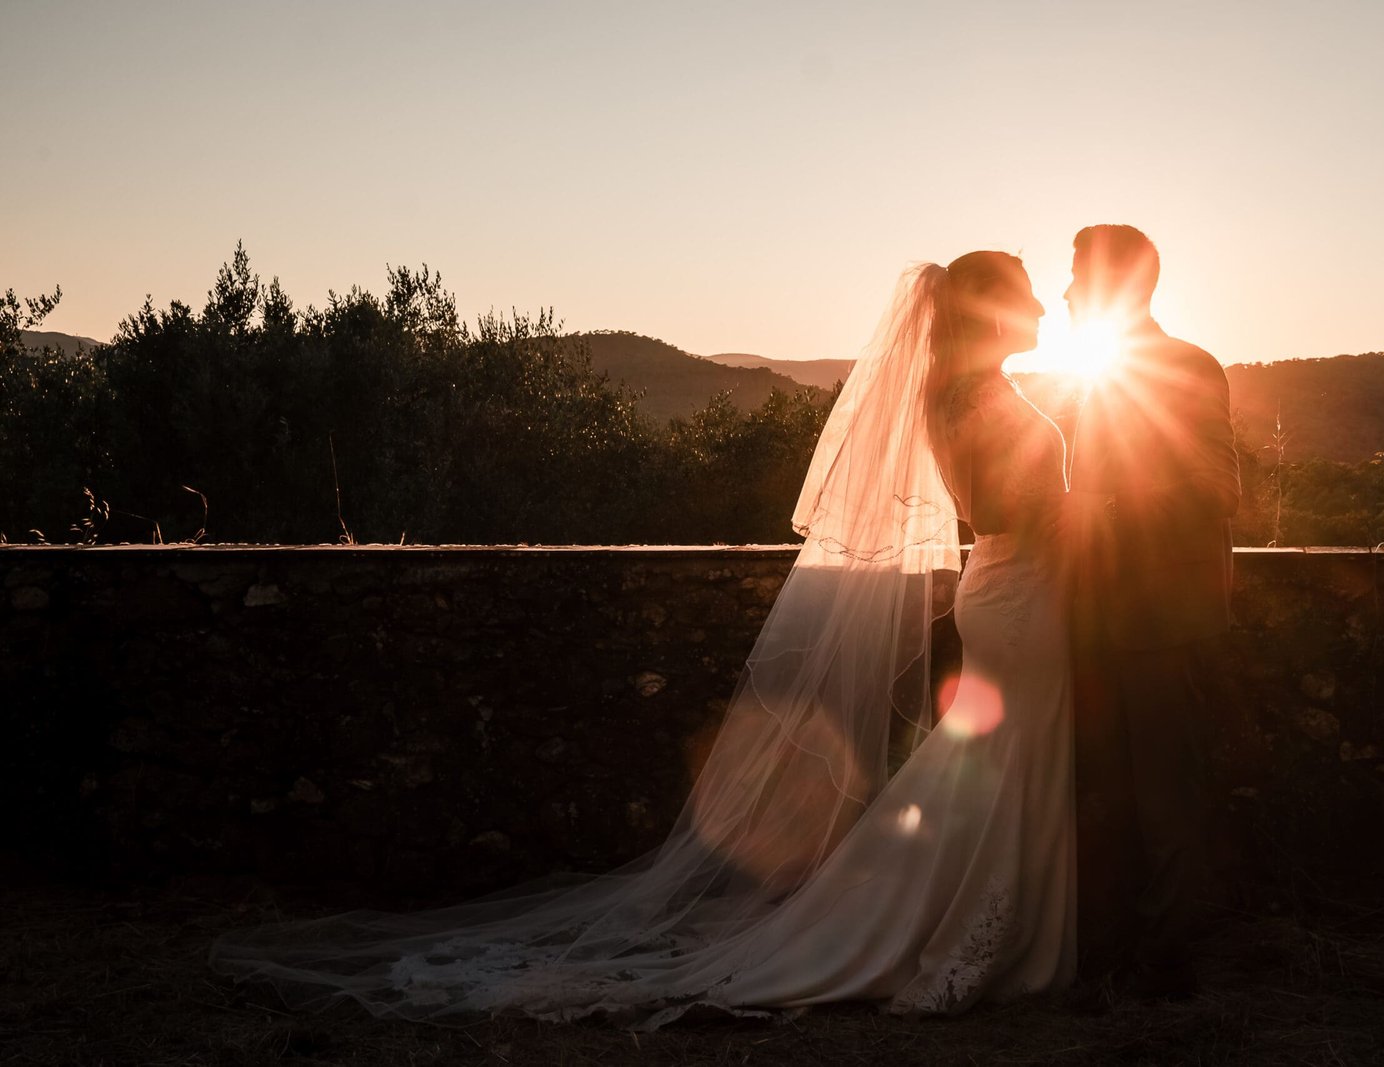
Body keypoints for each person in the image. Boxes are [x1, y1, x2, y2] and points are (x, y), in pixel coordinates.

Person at [212, 252, 1079, 1026]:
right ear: (989, 312)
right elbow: (998, 510)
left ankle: (960, 919)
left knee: (996, 771)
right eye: (1028, 296)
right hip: (1018, 598)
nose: (1042, 309)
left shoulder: (961, 393)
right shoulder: (982, 401)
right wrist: (1086, 512)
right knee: (1002, 771)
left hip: (1006, 596)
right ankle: (962, 931)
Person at [1062, 224, 1240, 997]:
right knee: (1121, 788)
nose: (1067, 291)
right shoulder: (1094, 372)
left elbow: (1216, 491)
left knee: (1166, 789)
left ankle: (1168, 960)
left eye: (1076, 276)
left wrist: (1100, 508)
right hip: (1106, 612)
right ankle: (1119, 945)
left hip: (1164, 615)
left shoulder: (1189, 367)